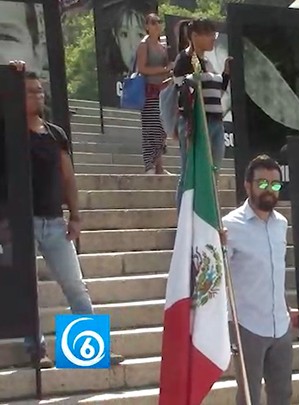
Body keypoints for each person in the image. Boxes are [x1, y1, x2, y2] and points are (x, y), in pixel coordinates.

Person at [9, 61, 124, 368]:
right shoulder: (9, 132)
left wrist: (75, 215)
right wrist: (12, 74)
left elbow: (68, 177)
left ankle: (89, 351)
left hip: (54, 221)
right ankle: (36, 349)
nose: (39, 95)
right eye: (31, 91)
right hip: (21, 223)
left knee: (75, 284)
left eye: (40, 90)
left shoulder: (55, 133)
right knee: (28, 289)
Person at [222, 154, 299, 405]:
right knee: (250, 397)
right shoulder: (229, 226)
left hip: (279, 325)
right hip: (247, 326)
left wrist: (286, 308)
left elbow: (274, 272)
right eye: (263, 183)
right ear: (247, 186)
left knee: (282, 395)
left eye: (275, 184)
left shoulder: (281, 223)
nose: (270, 190)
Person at [173, 18, 232, 209]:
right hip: (196, 123)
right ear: (195, 36)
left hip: (215, 122)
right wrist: (190, 126)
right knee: (189, 172)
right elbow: (183, 95)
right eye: (209, 35)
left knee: (213, 172)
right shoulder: (184, 60)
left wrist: (225, 75)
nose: (213, 39)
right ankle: (184, 216)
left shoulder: (207, 62)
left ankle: (208, 212)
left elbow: (215, 93)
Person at [135, 13, 172, 174]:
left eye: (159, 22)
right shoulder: (144, 45)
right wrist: (163, 70)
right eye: (153, 22)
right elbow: (142, 68)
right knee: (151, 128)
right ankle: (149, 165)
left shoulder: (163, 44)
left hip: (163, 90)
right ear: (147, 26)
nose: (157, 25)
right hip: (150, 91)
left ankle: (159, 166)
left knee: (162, 128)